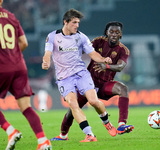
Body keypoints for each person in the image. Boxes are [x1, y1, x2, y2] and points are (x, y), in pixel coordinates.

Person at [42, 9, 117, 142]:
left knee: (94, 101)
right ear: (65, 22)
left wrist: (103, 59)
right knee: (73, 104)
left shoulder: (81, 36)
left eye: (78, 23)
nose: (77, 25)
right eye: (74, 22)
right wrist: (46, 61)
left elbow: (92, 53)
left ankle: (106, 122)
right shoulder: (53, 36)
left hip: (81, 74)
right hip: (64, 78)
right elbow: (48, 53)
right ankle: (90, 135)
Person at [50, 21, 134, 141]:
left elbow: (120, 67)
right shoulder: (99, 41)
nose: (114, 34)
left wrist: (107, 67)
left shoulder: (123, 50)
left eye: (117, 32)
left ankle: (121, 125)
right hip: (88, 84)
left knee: (123, 89)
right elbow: (82, 49)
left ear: (121, 34)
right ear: (107, 33)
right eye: (111, 31)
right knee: (72, 111)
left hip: (105, 85)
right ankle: (63, 135)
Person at [0, 0, 52, 149]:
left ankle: (10, 131)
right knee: (26, 107)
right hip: (19, 66)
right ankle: (42, 141)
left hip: (2, 68)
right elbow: (24, 42)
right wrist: (13, 57)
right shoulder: (11, 17)